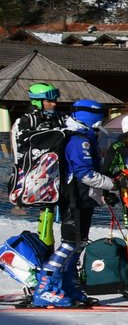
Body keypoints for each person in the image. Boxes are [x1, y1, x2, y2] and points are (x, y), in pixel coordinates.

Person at [30, 101, 119, 307]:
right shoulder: (79, 140)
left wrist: (104, 191)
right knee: (69, 244)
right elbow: (84, 173)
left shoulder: (85, 135)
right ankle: (45, 287)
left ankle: (68, 285)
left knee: (78, 243)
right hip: (74, 199)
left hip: (83, 198)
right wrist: (113, 184)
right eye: (100, 114)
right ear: (90, 116)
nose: (103, 119)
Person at [10, 82, 66, 248]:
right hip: (37, 175)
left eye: (54, 100)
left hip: (60, 173)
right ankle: (44, 248)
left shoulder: (60, 117)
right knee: (46, 211)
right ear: (37, 102)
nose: (54, 103)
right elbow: (19, 150)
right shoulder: (25, 121)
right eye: (49, 101)